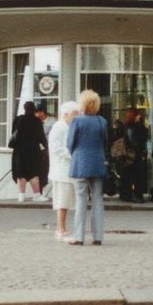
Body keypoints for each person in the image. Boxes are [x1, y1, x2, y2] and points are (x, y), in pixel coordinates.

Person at [66, 89, 107, 246]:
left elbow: (70, 144)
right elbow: (105, 142)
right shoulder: (102, 121)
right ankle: (98, 236)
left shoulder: (76, 121)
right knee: (98, 199)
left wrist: (77, 154)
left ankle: (79, 236)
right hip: (97, 162)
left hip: (80, 163)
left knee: (81, 199)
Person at [47, 100, 79, 239]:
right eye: (74, 114)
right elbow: (55, 148)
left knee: (66, 200)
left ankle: (63, 228)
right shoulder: (58, 127)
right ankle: (60, 228)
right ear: (66, 114)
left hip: (67, 169)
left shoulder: (68, 126)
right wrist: (72, 154)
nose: (76, 117)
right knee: (62, 201)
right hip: (61, 170)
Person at [11, 101, 48, 202]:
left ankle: (21, 195)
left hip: (19, 150)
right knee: (34, 172)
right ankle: (36, 195)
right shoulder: (36, 121)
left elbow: (13, 133)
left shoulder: (18, 119)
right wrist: (47, 147)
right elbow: (42, 137)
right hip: (33, 150)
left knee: (21, 172)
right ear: (33, 109)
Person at [120, 108, 149, 203]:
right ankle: (136, 195)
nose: (139, 116)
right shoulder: (135, 127)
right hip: (135, 155)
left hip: (129, 155)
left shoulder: (127, 126)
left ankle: (126, 195)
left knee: (128, 175)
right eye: (138, 115)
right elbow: (136, 142)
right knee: (137, 176)